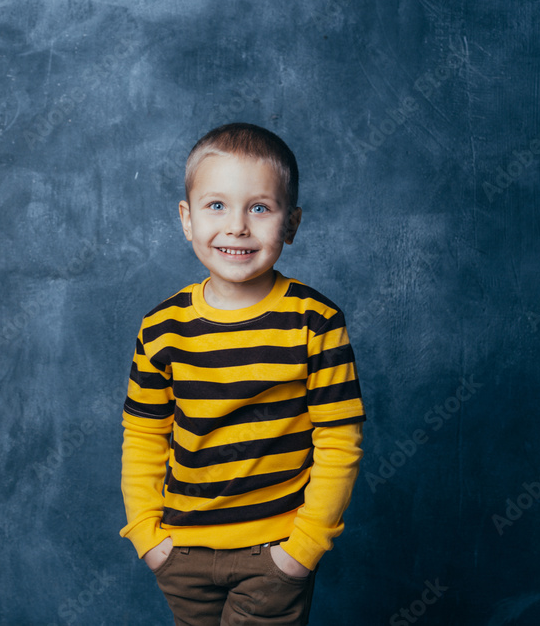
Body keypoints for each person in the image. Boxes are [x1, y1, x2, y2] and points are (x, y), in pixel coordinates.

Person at [119, 123, 366, 624]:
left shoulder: (314, 322)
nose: (237, 226)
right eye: (216, 206)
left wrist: (302, 550)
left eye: (260, 207)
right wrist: (148, 536)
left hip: (273, 552)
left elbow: (339, 439)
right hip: (181, 552)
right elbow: (144, 435)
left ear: (291, 224)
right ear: (186, 219)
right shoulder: (162, 328)